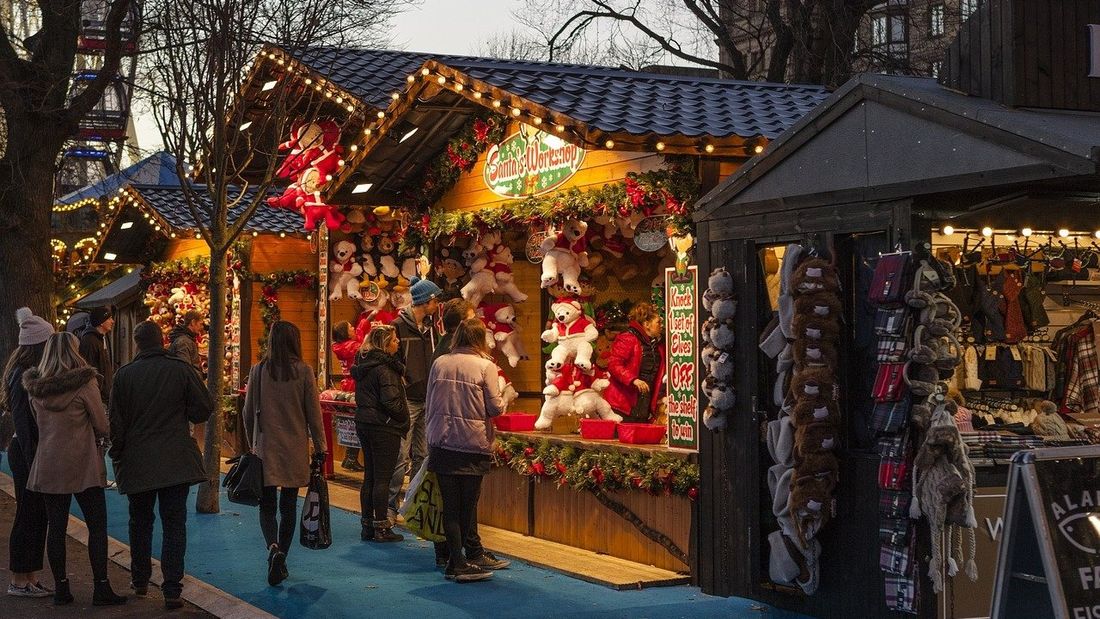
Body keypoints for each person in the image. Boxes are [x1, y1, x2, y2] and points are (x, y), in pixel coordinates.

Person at [109, 321, 214, 610]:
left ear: (137, 343)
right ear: (162, 341)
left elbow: (116, 422)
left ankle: (140, 580)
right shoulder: (180, 370)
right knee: (174, 523)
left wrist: (117, 454)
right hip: (175, 459)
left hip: (138, 459)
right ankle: (171, 588)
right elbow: (204, 407)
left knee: (139, 522)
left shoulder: (124, 376)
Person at [21, 332, 126, 606]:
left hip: (48, 464)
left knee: (55, 528)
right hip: (83, 465)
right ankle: (101, 587)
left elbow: (37, 423)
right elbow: (102, 424)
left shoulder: (36, 388)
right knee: (97, 525)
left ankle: (62, 588)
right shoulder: (85, 383)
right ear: (73, 351)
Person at [242, 321, 327, 587]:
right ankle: (283, 557)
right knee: (288, 507)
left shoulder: (258, 371)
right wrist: (321, 448)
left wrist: (252, 442)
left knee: (266, 506)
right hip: (294, 449)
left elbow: (247, 412)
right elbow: (314, 414)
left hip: (265, 448)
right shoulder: (304, 372)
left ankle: (273, 548)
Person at [426, 319, 510, 582]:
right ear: (480, 340)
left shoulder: (440, 362)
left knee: (450, 507)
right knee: (467, 507)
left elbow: (429, 400)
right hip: (472, 444)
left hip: (441, 441)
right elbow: (495, 408)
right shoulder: (487, 366)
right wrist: (507, 395)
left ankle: (455, 561)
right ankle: (459, 563)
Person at [3, 308, 53, 598]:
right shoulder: (24, 376)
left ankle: (28, 577)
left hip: (27, 452)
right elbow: (23, 423)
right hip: (27, 453)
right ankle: (19, 579)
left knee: (34, 513)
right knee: (28, 513)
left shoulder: (21, 373)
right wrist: (35, 458)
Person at [387, 277, 442, 518]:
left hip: (428, 397)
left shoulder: (432, 328)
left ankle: (413, 505)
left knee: (422, 454)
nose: (437, 303)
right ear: (425, 301)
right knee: (401, 454)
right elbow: (391, 358)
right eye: (435, 299)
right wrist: (403, 378)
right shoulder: (398, 326)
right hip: (408, 398)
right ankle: (389, 504)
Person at [350, 325, 408, 543]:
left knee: (370, 477)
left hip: (365, 422)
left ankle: (367, 525)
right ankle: (381, 527)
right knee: (383, 478)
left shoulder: (364, 364)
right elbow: (391, 400)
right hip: (384, 426)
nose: (398, 343)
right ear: (385, 344)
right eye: (394, 340)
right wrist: (403, 417)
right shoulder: (386, 369)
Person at [603, 302, 667, 424]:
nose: (661, 326)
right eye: (658, 322)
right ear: (647, 324)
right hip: (625, 401)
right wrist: (633, 379)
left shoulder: (658, 344)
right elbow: (614, 364)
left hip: (644, 401)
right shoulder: (628, 338)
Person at [331, 321, 363, 472]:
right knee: (356, 423)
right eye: (351, 327)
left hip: (346, 384)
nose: (353, 328)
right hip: (355, 385)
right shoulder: (352, 346)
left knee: (350, 423)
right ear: (345, 332)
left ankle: (349, 457)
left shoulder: (339, 347)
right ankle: (351, 458)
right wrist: (363, 326)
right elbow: (363, 347)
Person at [77, 305, 115, 404]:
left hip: (105, 395)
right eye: (109, 318)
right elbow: (88, 369)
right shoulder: (90, 341)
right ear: (101, 322)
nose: (112, 321)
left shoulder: (102, 338)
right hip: (98, 397)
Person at [431, 299, 475, 363]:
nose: (477, 324)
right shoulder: (453, 350)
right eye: (472, 320)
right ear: (461, 323)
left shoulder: (451, 342)